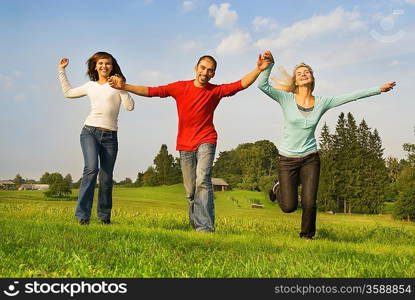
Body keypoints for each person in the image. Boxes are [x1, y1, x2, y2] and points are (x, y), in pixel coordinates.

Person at [108, 54, 271, 232]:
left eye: (210, 70)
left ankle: (205, 228)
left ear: (213, 74)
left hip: (206, 140)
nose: (205, 72)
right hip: (185, 144)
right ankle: (196, 225)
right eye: (203, 67)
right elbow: (152, 91)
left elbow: (240, 84)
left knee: (203, 179)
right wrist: (124, 86)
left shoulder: (215, 91)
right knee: (190, 191)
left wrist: (259, 69)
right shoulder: (180, 87)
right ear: (196, 68)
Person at [258, 50, 396, 239]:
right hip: (287, 159)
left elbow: (351, 96)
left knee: (309, 201)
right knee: (289, 207)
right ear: (295, 82)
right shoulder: (286, 99)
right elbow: (262, 85)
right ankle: (277, 188)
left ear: (312, 78)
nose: (303, 74)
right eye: (299, 73)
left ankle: (307, 236)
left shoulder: (322, 102)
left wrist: (378, 89)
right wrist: (269, 65)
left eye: (307, 72)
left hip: (310, 158)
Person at [58, 52, 135, 225]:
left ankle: (104, 218)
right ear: (95, 66)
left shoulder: (117, 86)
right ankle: (82, 216)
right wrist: (62, 71)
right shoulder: (90, 86)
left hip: (110, 136)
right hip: (89, 132)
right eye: (100, 63)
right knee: (91, 169)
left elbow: (130, 107)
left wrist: (122, 87)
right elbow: (68, 93)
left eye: (107, 63)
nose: (104, 66)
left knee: (106, 177)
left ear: (112, 66)